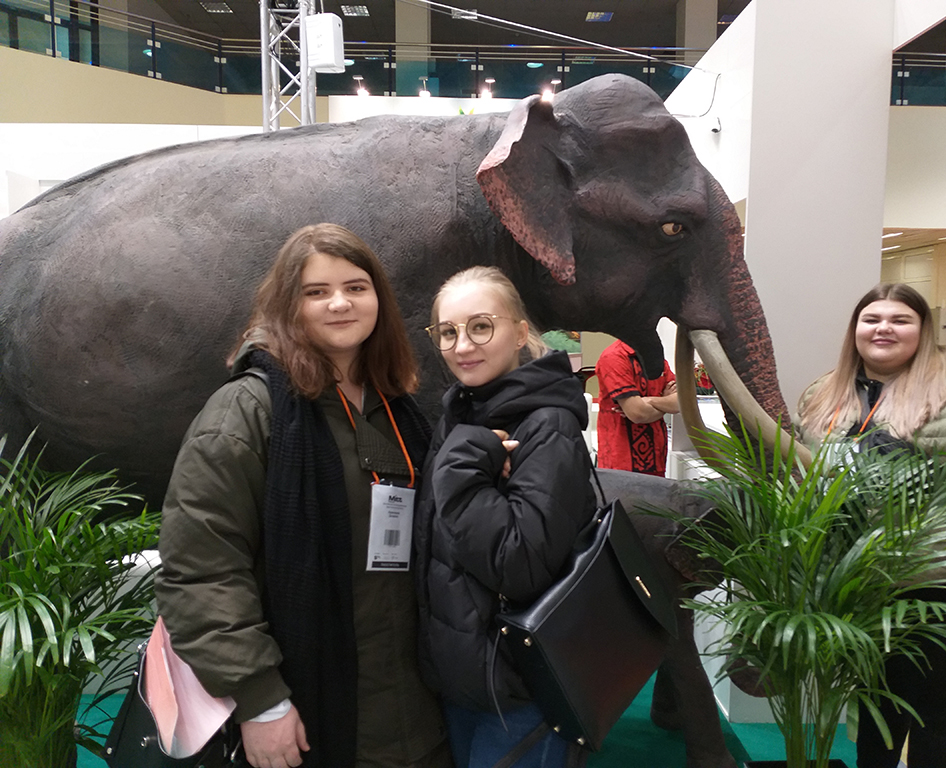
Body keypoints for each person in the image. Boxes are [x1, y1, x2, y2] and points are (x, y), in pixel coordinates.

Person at [156, 223, 450, 768]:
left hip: (416, 709)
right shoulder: (248, 412)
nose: (340, 303)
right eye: (317, 291)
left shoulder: (397, 407)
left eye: (356, 287)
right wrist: (260, 700)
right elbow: (202, 569)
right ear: (288, 305)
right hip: (310, 712)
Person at [795, 282, 946, 768]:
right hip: (853, 589)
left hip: (936, 590)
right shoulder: (823, 394)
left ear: (923, 330)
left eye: (900, 320)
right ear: (855, 330)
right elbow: (802, 487)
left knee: (940, 716)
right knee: (875, 711)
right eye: (872, 319)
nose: (884, 328)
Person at [415, 266, 595, 768]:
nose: (462, 346)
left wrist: (461, 465)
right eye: (447, 332)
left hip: (519, 686)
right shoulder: (461, 415)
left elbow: (521, 563)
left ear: (519, 333)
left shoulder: (547, 424)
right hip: (466, 676)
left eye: (480, 326)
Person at [595, 339, 680, 475]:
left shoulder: (653, 356)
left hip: (656, 458)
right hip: (621, 462)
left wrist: (648, 400)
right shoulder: (614, 357)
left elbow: (680, 403)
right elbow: (638, 414)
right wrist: (664, 403)